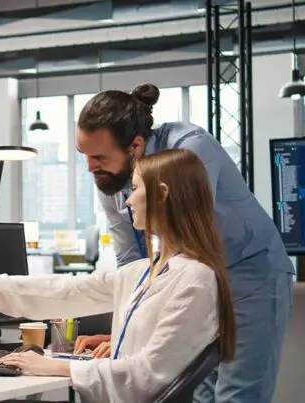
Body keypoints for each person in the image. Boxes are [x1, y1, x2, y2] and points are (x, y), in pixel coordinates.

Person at [0, 149, 236, 403]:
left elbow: (149, 374)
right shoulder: (146, 271)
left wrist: (55, 367)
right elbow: (68, 290)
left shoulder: (194, 278)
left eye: (136, 189)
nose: (128, 201)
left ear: (162, 194)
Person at [75, 84, 294, 402]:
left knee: (237, 394)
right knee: (194, 391)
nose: (91, 168)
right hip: (197, 278)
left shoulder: (188, 149)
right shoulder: (112, 177)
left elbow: (186, 236)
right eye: (85, 156)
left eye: (98, 157)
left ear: (135, 147)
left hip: (249, 275)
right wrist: (125, 331)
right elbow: (130, 261)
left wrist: (140, 331)